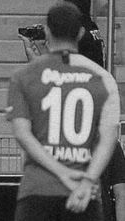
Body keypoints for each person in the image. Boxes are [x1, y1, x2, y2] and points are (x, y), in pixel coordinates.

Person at [7, 2, 120, 221]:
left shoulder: (23, 76)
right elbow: (109, 138)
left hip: (37, 191)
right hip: (84, 193)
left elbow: (22, 134)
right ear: (80, 33)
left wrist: (62, 174)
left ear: (47, 30)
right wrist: (87, 181)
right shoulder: (103, 79)